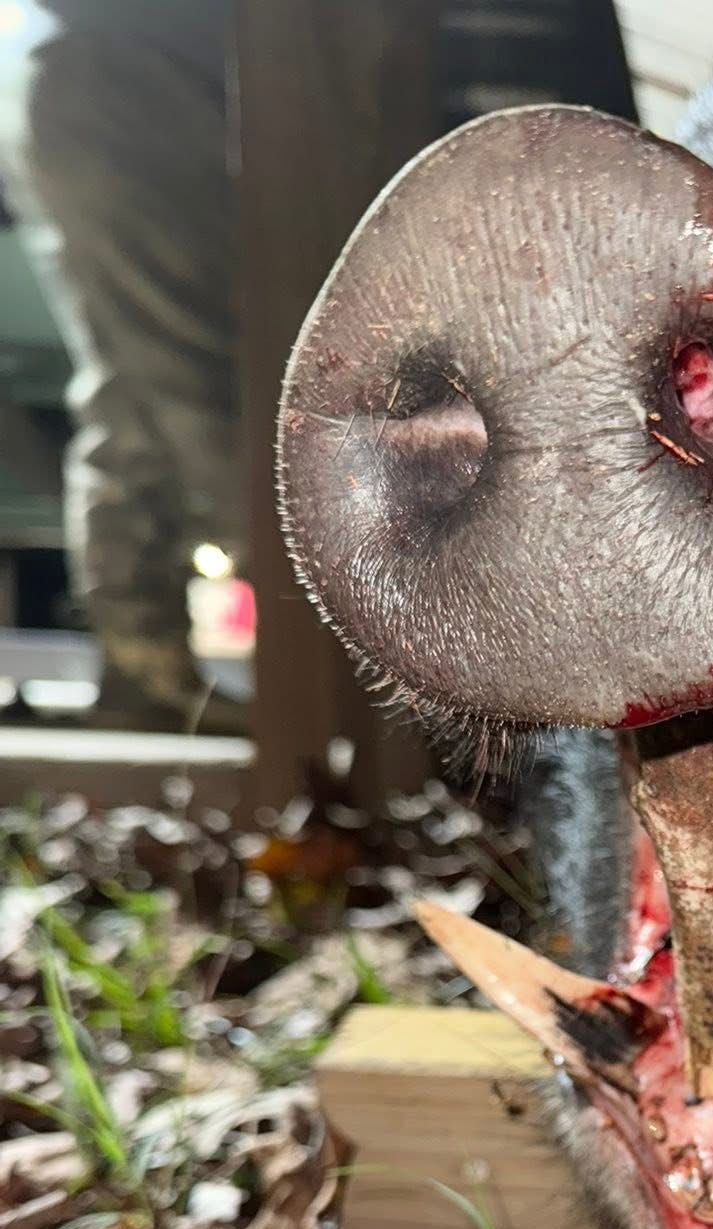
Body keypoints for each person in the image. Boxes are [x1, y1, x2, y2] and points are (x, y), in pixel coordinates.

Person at [0, 0, 636, 735]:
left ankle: (146, 674)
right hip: (123, 86)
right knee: (196, 387)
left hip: (68, 76)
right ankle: (342, 675)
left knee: (133, 386)